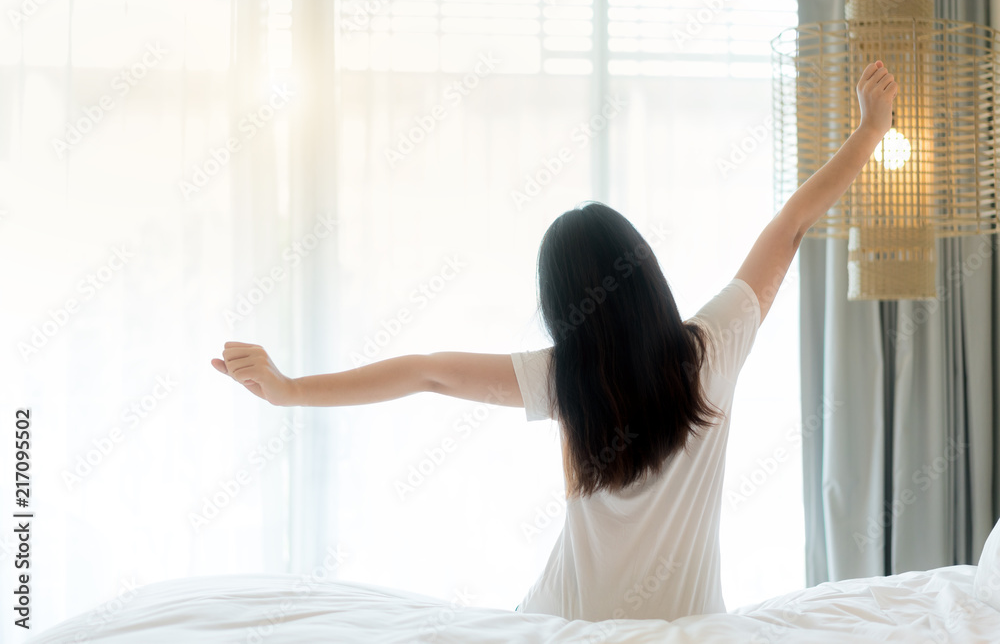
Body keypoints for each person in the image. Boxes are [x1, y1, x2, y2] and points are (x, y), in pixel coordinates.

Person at [212, 61, 898, 622]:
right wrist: (871, 129)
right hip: (691, 625)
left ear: (563, 309)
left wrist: (291, 390)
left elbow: (424, 372)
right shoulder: (712, 348)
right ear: (647, 274)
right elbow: (792, 225)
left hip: (566, 624)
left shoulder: (563, 377)